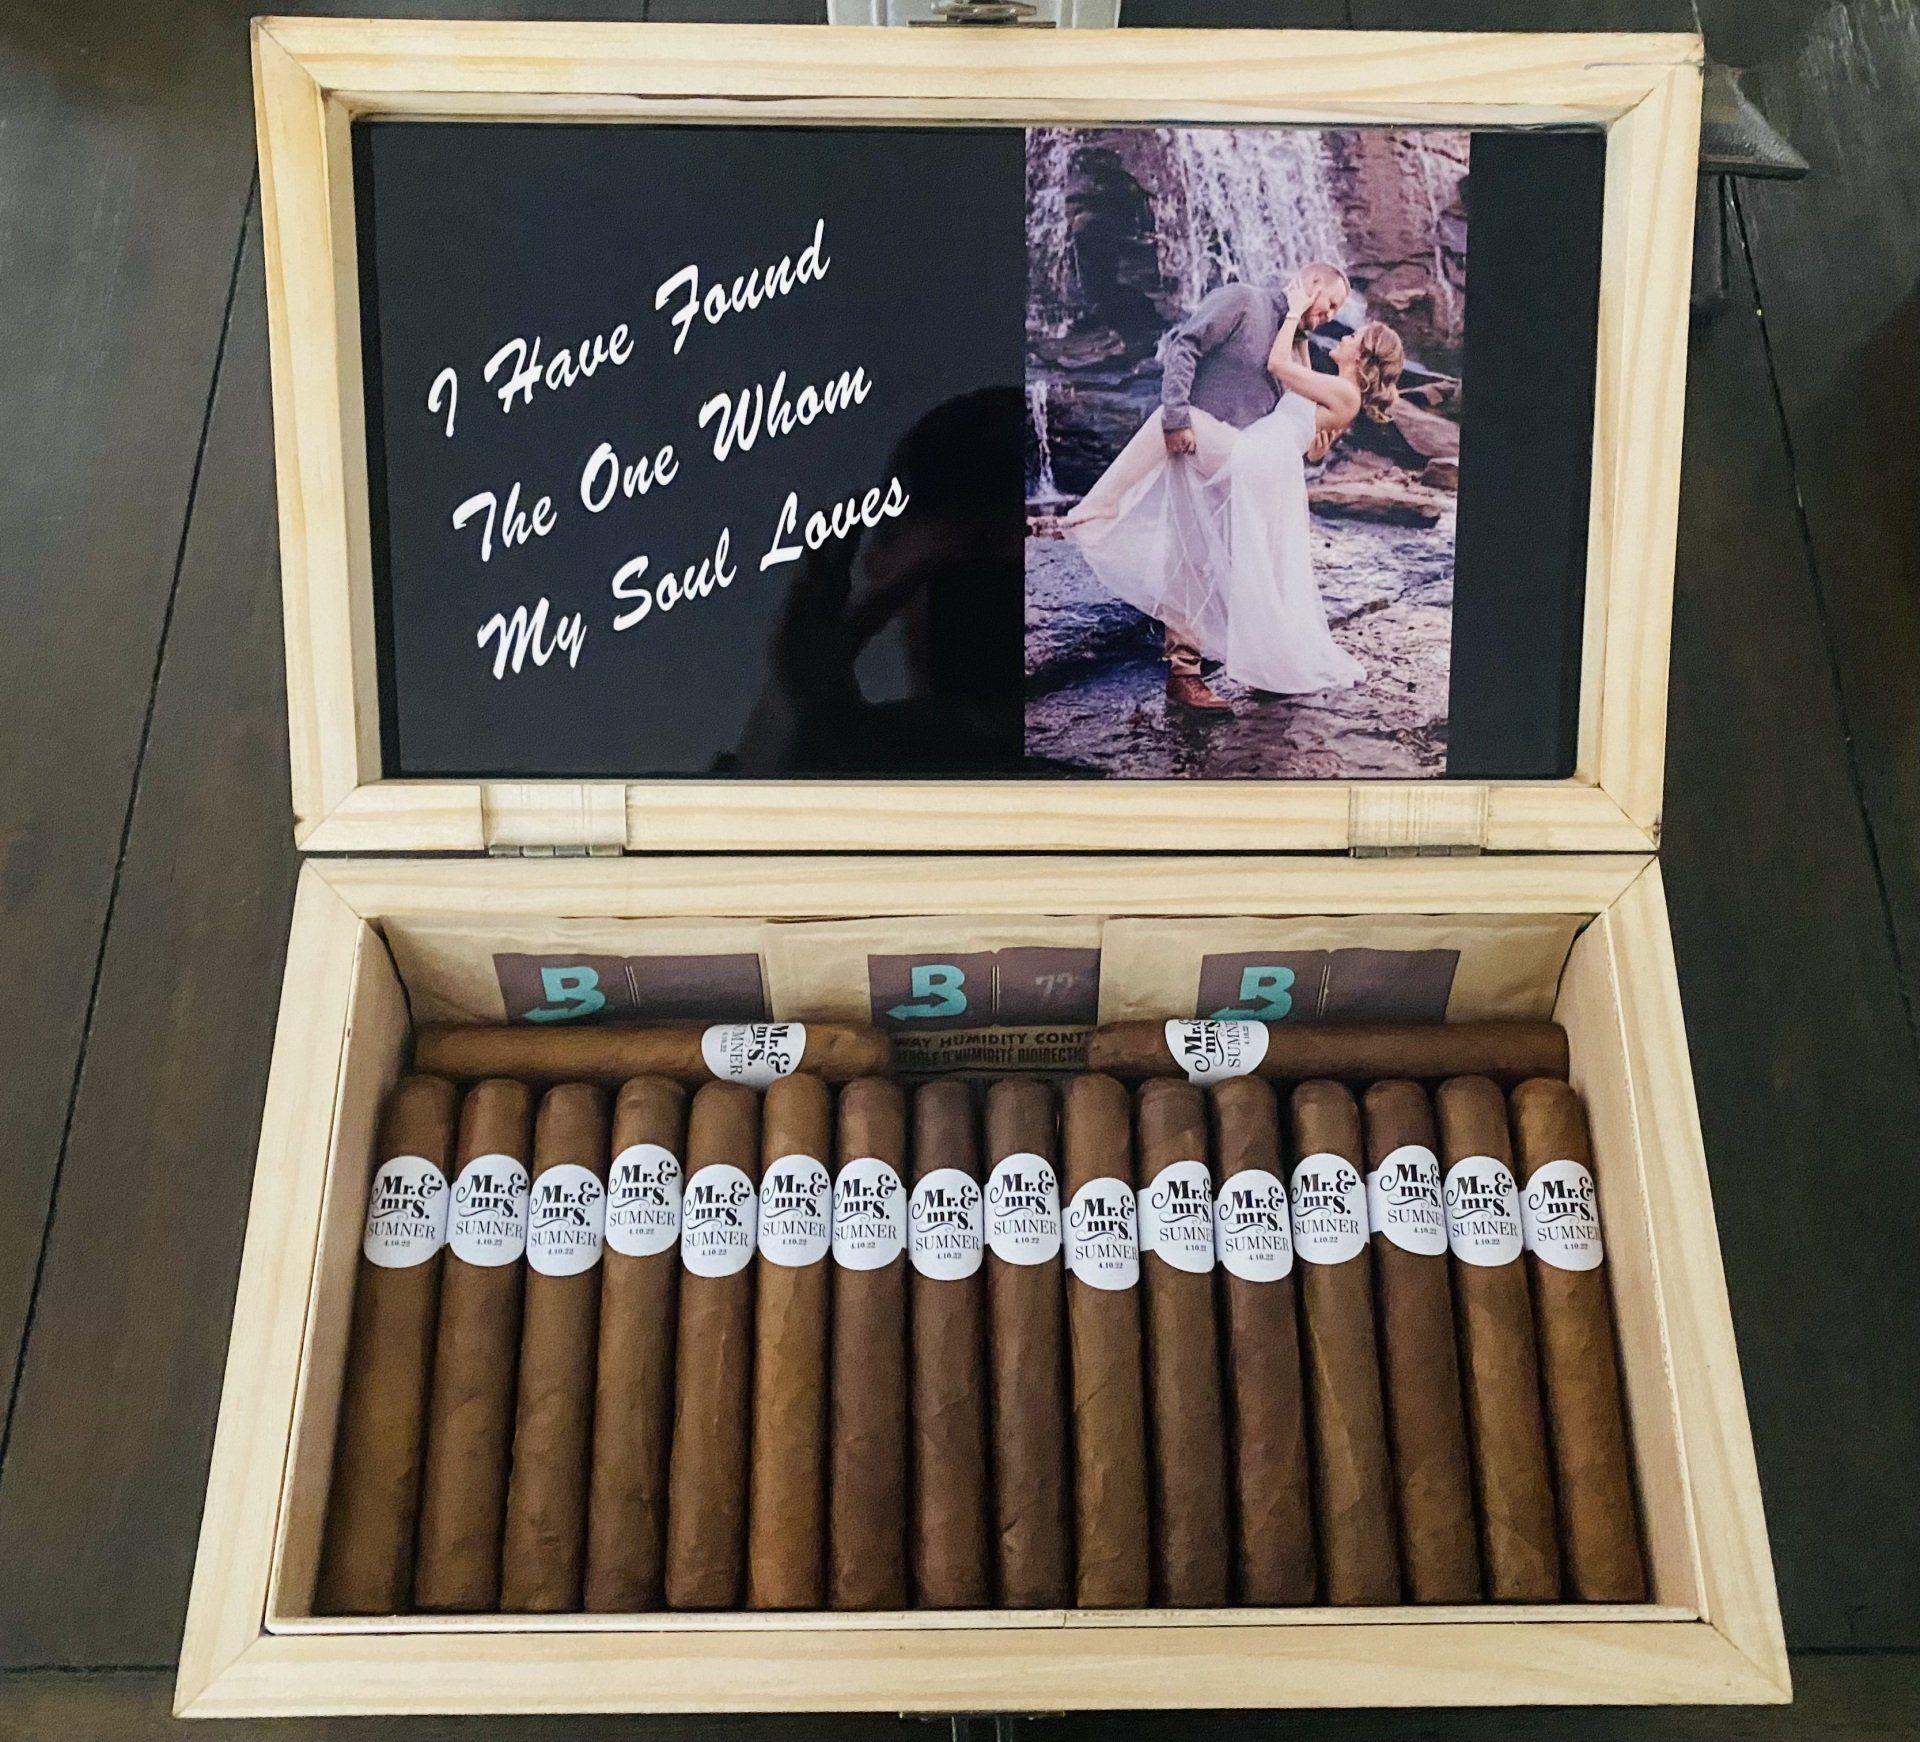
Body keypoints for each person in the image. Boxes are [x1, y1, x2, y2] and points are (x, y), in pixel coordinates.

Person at [1063, 270, 1404, 715]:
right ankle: (1193, 673)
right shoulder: (1244, 301)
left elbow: (1293, 403)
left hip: (1250, 463)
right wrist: (1177, 417)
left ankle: (1102, 506)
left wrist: (1296, 323)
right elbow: (1185, 346)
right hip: (1227, 455)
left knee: (1243, 565)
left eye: (1341, 313)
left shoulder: (1309, 358)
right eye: (1331, 303)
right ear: (1311, 284)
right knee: (1199, 558)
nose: (1333, 317)